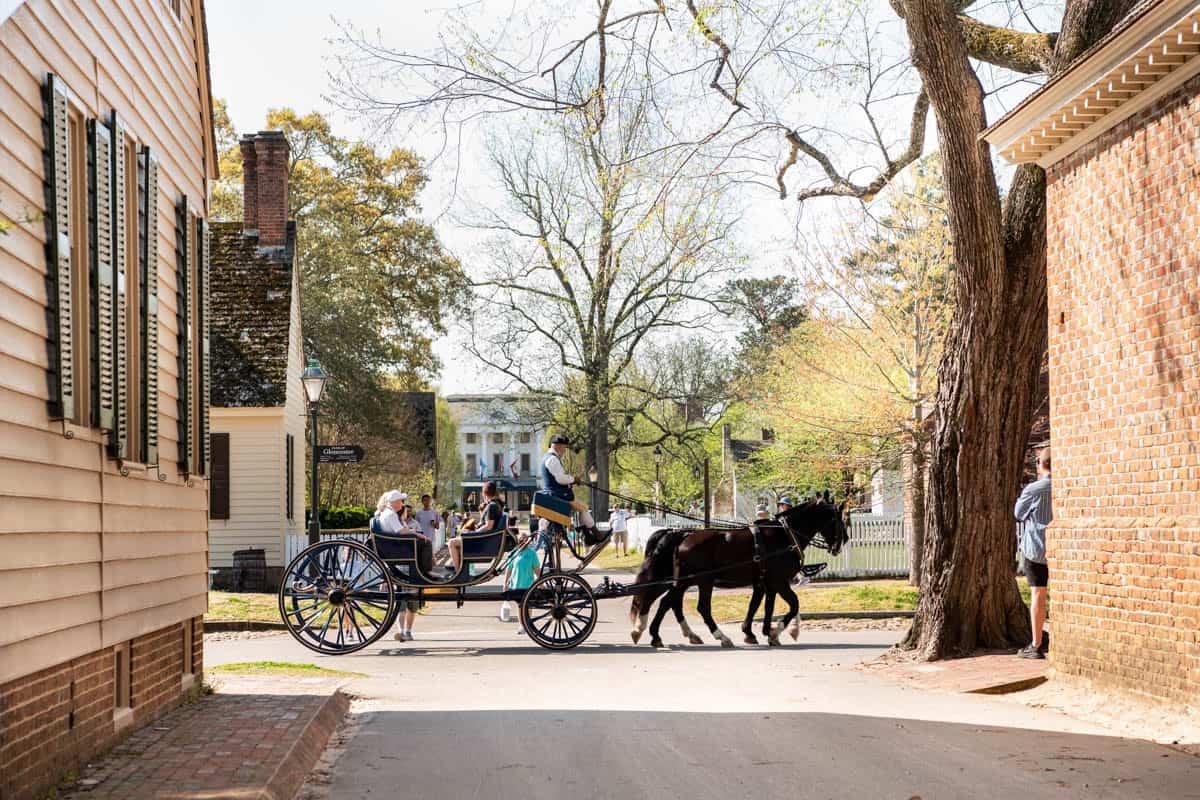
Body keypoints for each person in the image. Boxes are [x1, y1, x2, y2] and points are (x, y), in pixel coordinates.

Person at [373, 491, 431, 642]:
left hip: (395, 548)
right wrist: (416, 533)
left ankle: (406, 630)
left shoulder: (384, 514)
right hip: (400, 549)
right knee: (426, 543)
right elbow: (401, 531)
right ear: (393, 503)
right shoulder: (391, 515)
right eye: (400, 501)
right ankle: (426, 571)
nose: (402, 504)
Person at [1014, 447, 1052, 659]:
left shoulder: (1034, 489)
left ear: (1040, 463)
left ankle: (1036, 644)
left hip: (1036, 548)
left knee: (1038, 594)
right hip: (1060, 549)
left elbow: (1018, 514)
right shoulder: (1064, 488)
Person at [541, 434, 599, 543]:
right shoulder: (552, 459)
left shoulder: (548, 458)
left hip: (555, 494)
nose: (564, 451)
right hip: (557, 495)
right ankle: (596, 535)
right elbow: (561, 478)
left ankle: (587, 535)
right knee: (584, 508)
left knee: (582, 509)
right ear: (557, 446)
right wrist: (574, 479)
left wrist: (572, 480)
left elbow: (559, 478)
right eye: (564, 447)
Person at [448, 481, 504, 573]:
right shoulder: (497, 505)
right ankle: (459, 567)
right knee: (458, 540)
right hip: (485, 540)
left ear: (484, 493)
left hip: (482, 541)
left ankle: (457, 572)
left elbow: (488, 526)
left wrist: (474, 533)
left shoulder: (491, 506)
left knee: (451, 543)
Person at [505, 532, 541, 635]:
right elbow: (509, 568)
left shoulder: (532, 553)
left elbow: (536, 569)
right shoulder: (515, 552)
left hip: (528, 584)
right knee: (520, 606)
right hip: (516, 584)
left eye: (524, 539)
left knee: (528, 606)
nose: (522, 541)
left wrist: (540, 580)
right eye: (521, 539)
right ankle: (521, 625)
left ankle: (527, 624)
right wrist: (505, 583)